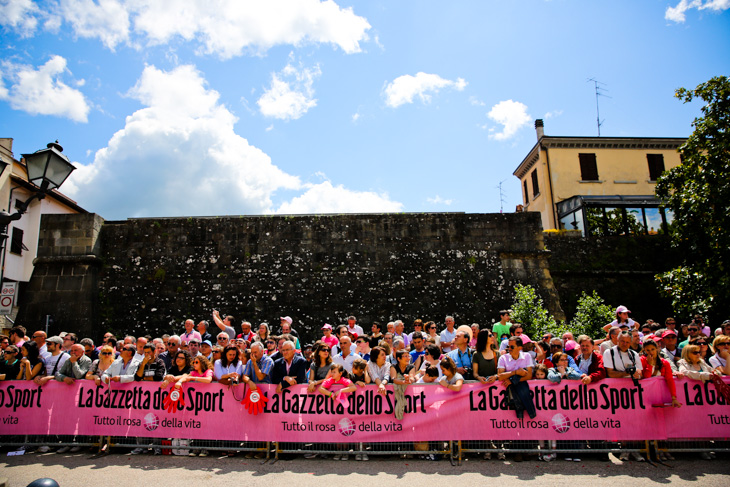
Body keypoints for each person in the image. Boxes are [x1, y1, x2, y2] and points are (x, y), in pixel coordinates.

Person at [318, 363, 357, 461]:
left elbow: (353, 387)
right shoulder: (330, 380)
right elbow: (320, 388)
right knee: (336, 429)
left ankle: (345, 452)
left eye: (334, 372)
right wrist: (330, 394)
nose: (332, 373)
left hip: (345, 410)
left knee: (344, 429)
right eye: (331, 371)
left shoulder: (344, 380)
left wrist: (341, 390)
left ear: (340, 373)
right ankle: (339, 451)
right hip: (334, 410)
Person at [641, 339, 681, 407]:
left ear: (657, 349)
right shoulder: (642, 360)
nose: (651, 352)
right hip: (646, 396)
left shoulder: (665, 362)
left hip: (661, 395)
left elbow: (670, 380)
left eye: (652, 349)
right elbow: (646, 379)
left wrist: (673, 397)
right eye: (648, 350)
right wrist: (650, 365)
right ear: (644, 350)